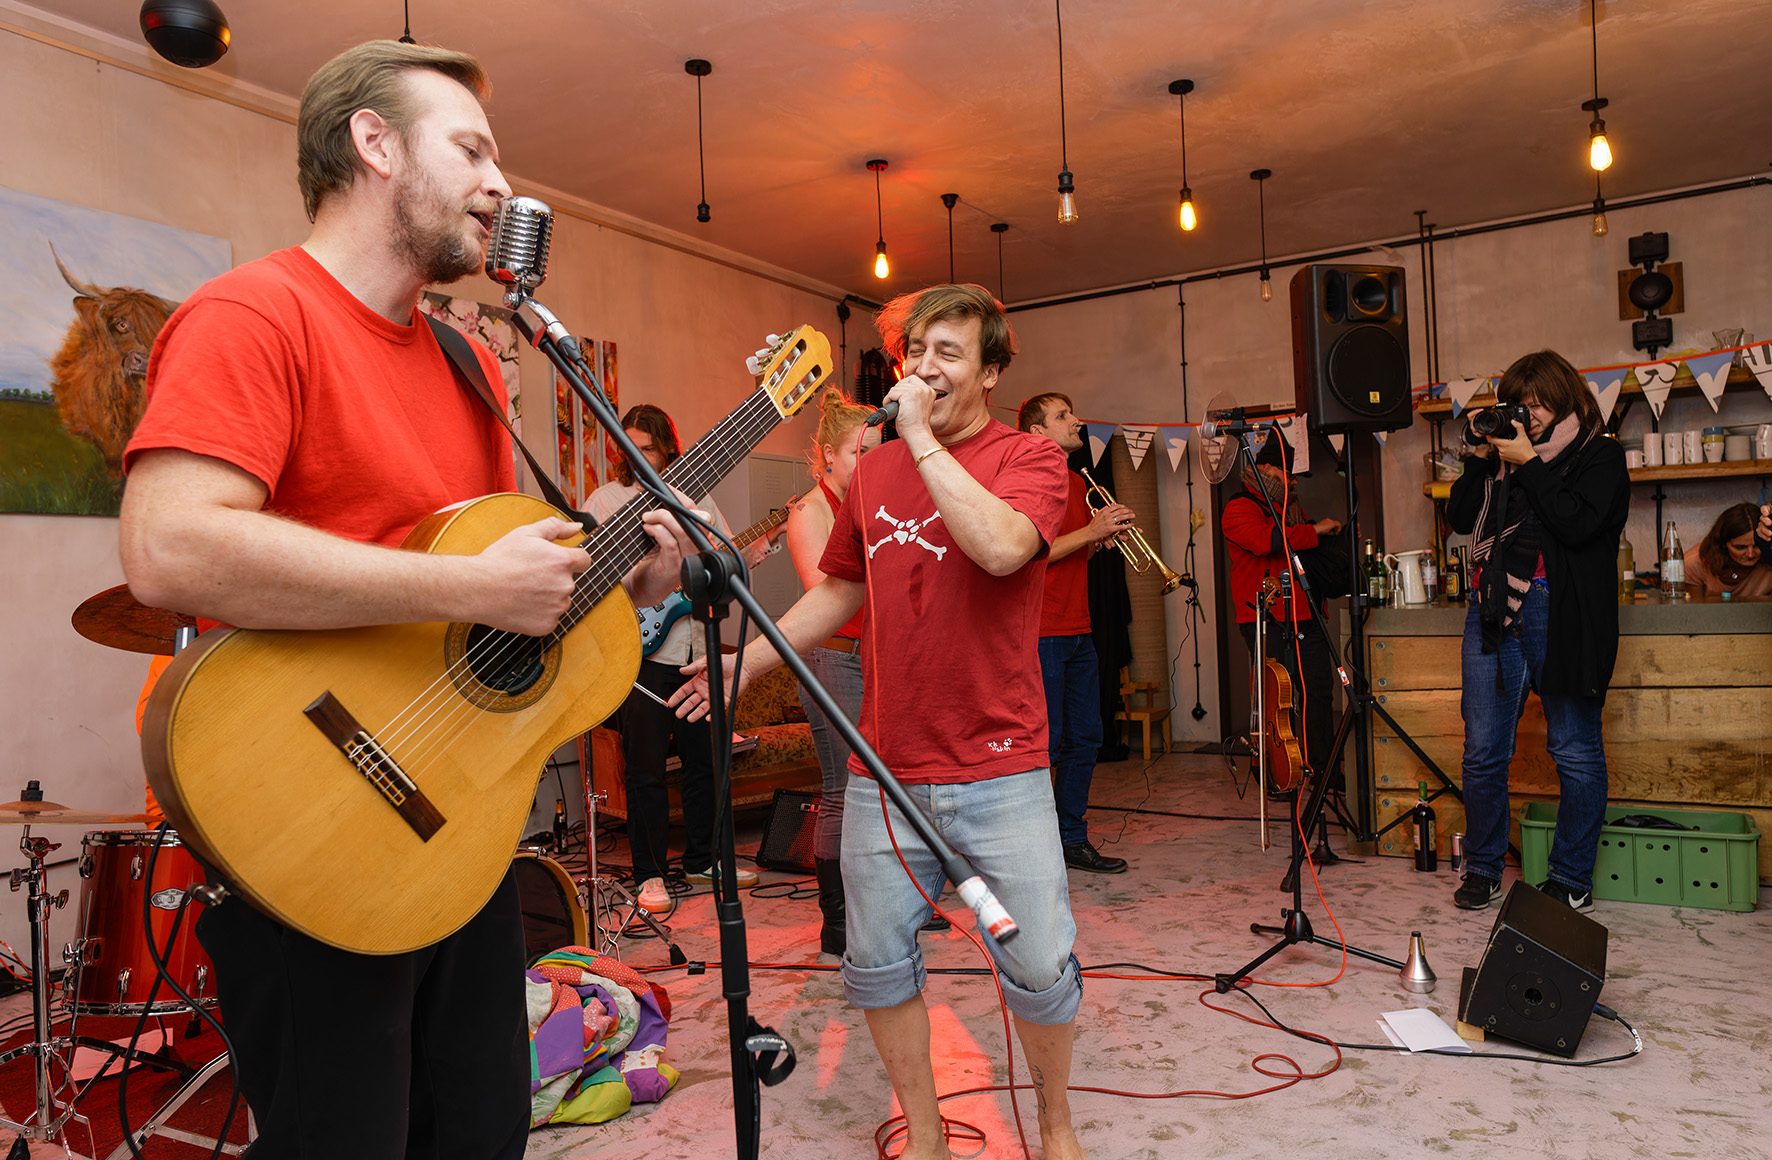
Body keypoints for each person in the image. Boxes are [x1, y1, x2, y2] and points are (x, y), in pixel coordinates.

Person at [116, 41, 689, 1157]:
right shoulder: (252, 315)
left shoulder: (469, 362)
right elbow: (168, 548)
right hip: (310, 817)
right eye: (470, 148)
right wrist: (469, 581)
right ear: (373, 145)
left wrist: (621, 561)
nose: (500, 185)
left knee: (479, 1129)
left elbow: (496, 583)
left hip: (456, 826)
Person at [671, 284, 1087, 1160]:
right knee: (878, 964)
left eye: (949, 353)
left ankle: (1055, 1127)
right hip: (882, 769)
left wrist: (924, 441)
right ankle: (927, 1136)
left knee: (1042, 967)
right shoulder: (877, 473)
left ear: (993, 370)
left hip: (1001, 768)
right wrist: (747, 664)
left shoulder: (1032, 461)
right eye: (917, 352)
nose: (926, 369)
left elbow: (1005, 547)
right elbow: (841, 589)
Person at [1446, 350, 1629, 913]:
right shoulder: (1503, 462)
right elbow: (1458, 517)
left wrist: (1529, 463)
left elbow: (1575, 522)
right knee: (1481, 752)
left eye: (1538, 403)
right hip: (1492, 608)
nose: (1529, 414)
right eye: (1519, 405)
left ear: (1565, 397)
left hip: (1562, 613)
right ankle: (1482, 867)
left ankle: (1570, 877)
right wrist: (1484, 455)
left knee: (1573, 750)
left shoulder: (1600, 456)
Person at [589, 403, 772, 914]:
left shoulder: (697, 494)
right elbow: (602, 581)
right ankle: (649, 873)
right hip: (641, 652)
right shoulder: (606, 500)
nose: (636, 455)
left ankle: (703, 858)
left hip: (698, 646)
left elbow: (727, 555)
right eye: (628, 446)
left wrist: (745, 553)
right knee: (645, 767)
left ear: (667, 447)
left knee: (705, 762)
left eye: (647, 447)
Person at [784, 386, 882, 955]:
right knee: (844, 788)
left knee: (887, 787)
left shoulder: (872, 505)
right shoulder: (810, 512)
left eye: (877, 451)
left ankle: (885, 903)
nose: (869, 463)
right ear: (828, 456)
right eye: (859, 453)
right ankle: (837, 920)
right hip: (832, 658)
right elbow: (824, 597)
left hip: (876, 656)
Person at [1017, 391, 1132, 873]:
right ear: (1037, 432)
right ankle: (1034, 846)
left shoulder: (1074, 481)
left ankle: (1071, 838)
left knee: (1086, 737)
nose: (1076, 421)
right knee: (1046, 742)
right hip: (1040, 631)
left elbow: (1066, 552)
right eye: (1062, 416)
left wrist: (1099, 538)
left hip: (1079, 628)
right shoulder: (1025, 484)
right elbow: (1026, 552)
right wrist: (1089, 532)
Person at [1221, 460, 1342, 786]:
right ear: (1254, 471)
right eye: (1273, 466)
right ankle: (1276, 771)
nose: (1282, 472)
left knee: (1318, 691)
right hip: (1266, 615)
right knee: (1275, 698)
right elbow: (1267, 542)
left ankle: (1322, 770)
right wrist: (1315, 531)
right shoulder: (1238, 507)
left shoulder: (1285, 508)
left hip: (1306, 612)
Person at [1684, 502, 1772, 597]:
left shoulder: (1768, 561)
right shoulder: (1695, 563)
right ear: (1723, 544)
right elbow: (1694, 609)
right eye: (1740, 547)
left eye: (1756, 546)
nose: (1750, 555)